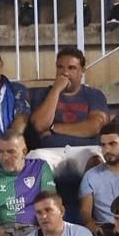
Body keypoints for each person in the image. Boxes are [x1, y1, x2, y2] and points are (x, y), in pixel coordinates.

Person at [28, 47, 111, 181]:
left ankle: (92, 202)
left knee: (96, 161)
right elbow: (39, 125)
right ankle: (49, 202)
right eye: (60, 67)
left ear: (82, 71)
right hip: (50, 151)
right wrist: (56, 90)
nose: (65, 73)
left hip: (85, 150)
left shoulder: (94, 95)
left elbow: (94, 127)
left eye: (71, 68)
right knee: (34, 161)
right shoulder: (42, 94)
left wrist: (53, 128)